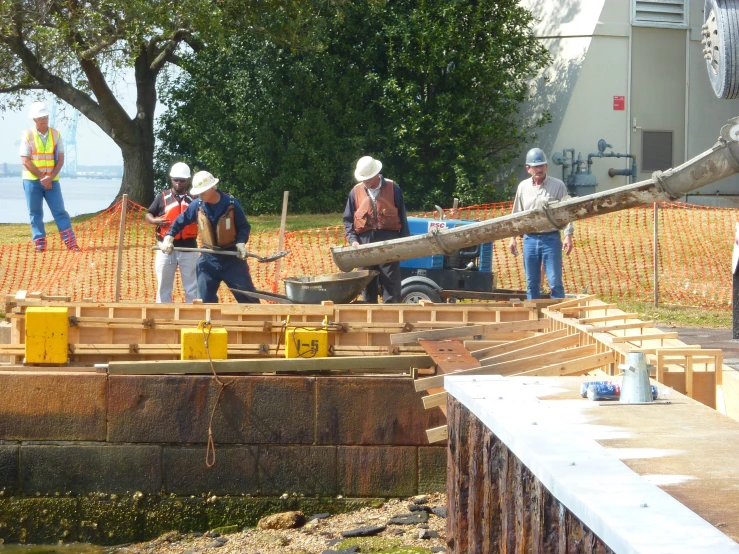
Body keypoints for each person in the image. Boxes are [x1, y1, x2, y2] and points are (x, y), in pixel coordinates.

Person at [162, 171, 259, 304]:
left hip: (232, 259)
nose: (200, 196)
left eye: (203, 193)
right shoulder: (197, 205)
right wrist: (169, 236)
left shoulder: (231, 203)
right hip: (208, 259)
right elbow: (181, 220)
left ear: (212, 188)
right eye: (198, 194)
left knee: (248, 297)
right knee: (204, 300)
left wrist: (241, 242)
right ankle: (209, 323)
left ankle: (256, 322)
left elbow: (244, 226)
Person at [508, 147, 574, 299]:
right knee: (532, 282)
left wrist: (568, 236)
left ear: (546, 167)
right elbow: (516, 215)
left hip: (551, 239)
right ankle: (535, 316)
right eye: (535, 166)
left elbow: (567, 212)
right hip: (529, 239)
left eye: (542, 165)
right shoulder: (523, 187)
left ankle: (557, 317)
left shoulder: (558, 186)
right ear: (528, 168)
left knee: (555, 281)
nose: (539, 169)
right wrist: (513, 238)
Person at [343, 155, 410, 303]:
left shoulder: (394, 188)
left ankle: (391, 321)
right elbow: (348, 221)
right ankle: (369, 323)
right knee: (367, 286)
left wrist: (405, 246)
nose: (365, 181)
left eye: (368, 178)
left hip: (390, 243)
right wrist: (353, 241)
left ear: (376, 174)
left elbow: (403, 219)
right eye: (363, 178)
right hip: (364, 244)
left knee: (392, 286)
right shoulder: (355, 192)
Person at [20, 101, 79, 252]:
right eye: (41, 117)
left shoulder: (56, 134)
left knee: (60, 211)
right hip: (32, 181)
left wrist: (50, 177)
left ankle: (71, 243)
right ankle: (40, 244)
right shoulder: (27, 135)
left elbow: (61, 159)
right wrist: (42, 178)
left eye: (45, 116)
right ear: (34, 119)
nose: (44, 119)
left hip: (52, 181)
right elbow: (25, 161)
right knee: (35, 213)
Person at [146, 162, 199, 303]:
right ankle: (164, 314)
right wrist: (156, 221)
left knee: (192, 286)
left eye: (182, 180)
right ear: (171, 179)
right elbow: (149, 214)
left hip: (189, 247)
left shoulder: (194, 200)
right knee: (163, 285)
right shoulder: (162, 197)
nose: (179, 183)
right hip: (165, 247)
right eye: (176, 179)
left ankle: (192, 315)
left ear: (187, 181)